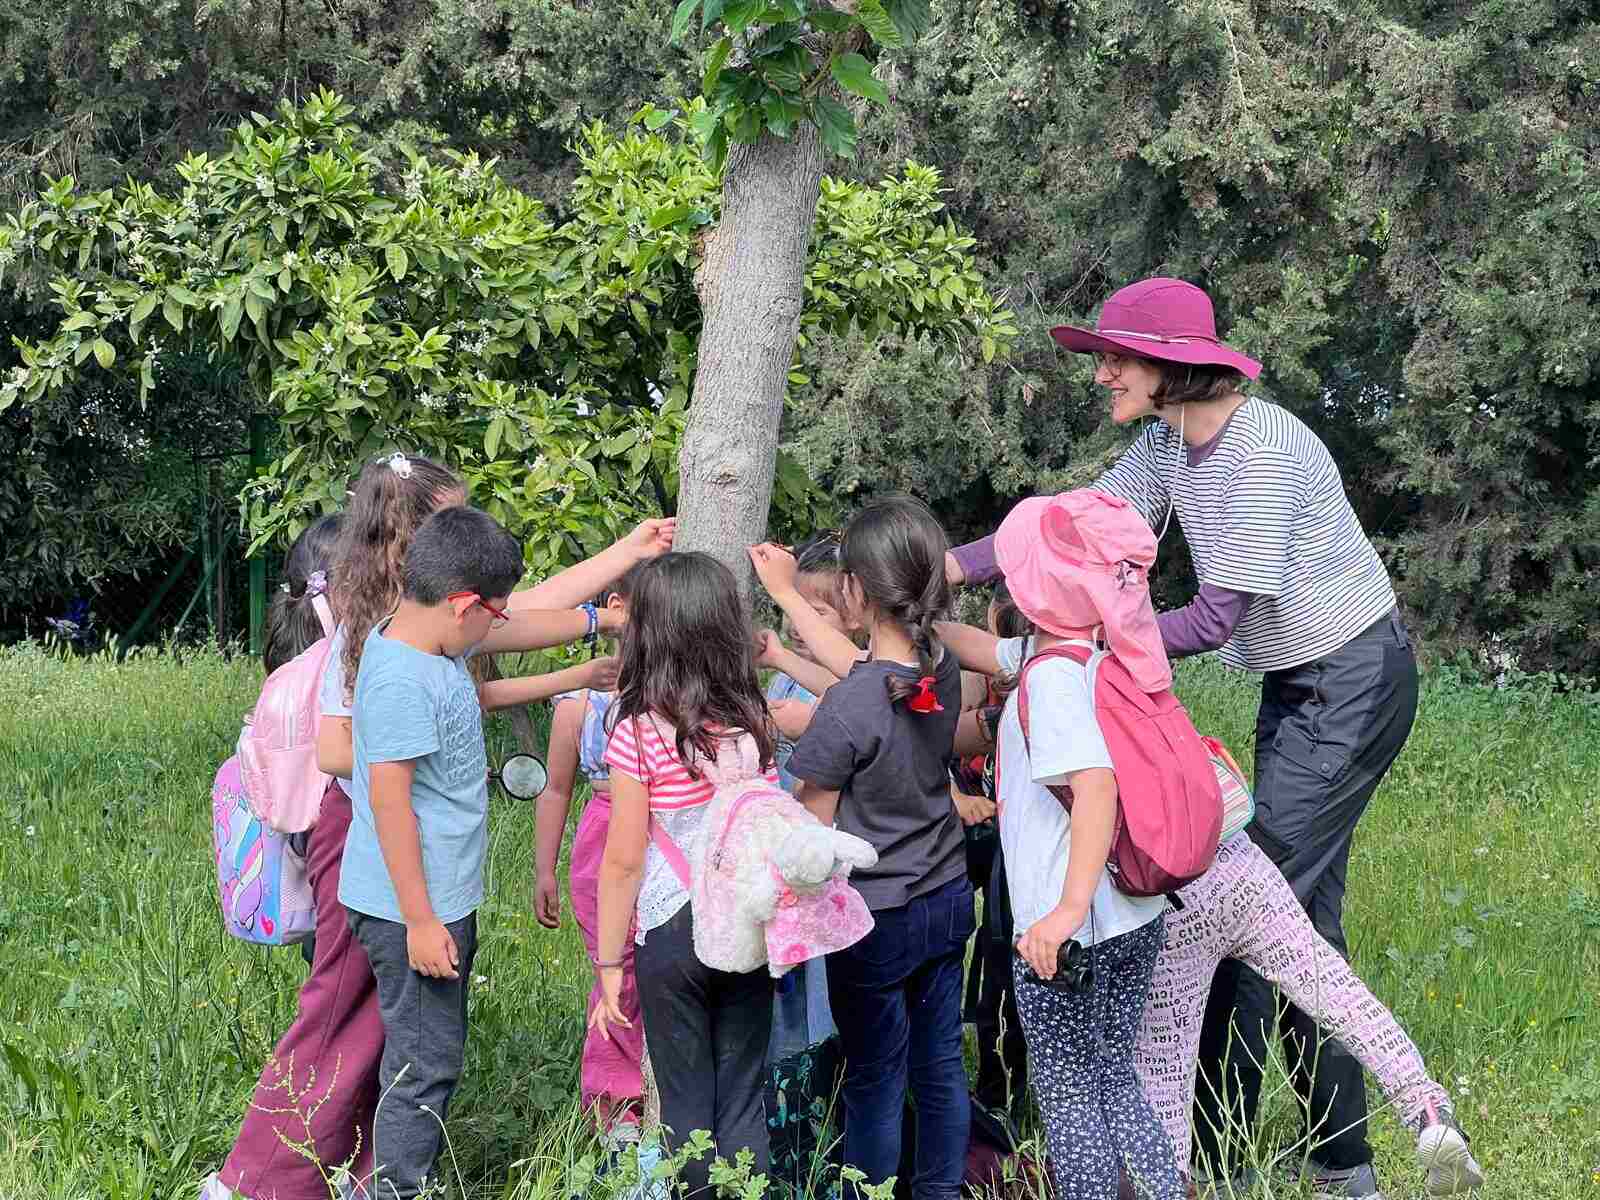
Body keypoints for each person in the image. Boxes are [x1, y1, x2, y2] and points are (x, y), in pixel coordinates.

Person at [947, 278, 1418, 1197]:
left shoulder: (1263, 453)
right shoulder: (1171, 447)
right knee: (1299, 916)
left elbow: (1210, 621)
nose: (1102, 376)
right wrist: (935, 564)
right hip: (1298, 683)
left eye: (1115, 359)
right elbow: (1063, 528)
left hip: (1355, 682)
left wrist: (1062, 642)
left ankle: (1204, 1160)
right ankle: (1341, 1163)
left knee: (1226, 898)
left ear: (1169, 365)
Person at [945, 601, 1485, 1200]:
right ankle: (1427, 1109)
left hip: (1166, 899)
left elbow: (969, 648)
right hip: (1228, 854)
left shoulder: (1045, 677)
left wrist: (908, 614)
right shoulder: (1127, 647)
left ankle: (1171, 1181)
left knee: (1161, 1069)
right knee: (1333, 988)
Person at [342, 504, 599, 1198]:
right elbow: (390, 805)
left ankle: (390, 1178)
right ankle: (396, 1189)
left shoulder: (427, 651)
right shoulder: (399, 677)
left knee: (430, 1051)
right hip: (410, 907)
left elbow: (469, 699)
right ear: (463, 605)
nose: (499, 624)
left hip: (437, 897)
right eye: (496, 613)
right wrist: (422, 920)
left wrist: (572, 677)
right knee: (423, 1063)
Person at [963, 490, 1184, 1200]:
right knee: (1114, 1073)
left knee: (1066, 1091)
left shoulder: (1053, 680)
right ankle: (1157, 1192)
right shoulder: (1104, 654)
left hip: (1071, 926)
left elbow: (1096, 789)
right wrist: (920, 622)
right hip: (1135, 914)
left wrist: (1063, 912)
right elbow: (984, 649)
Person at [752, 496, 972, 1200]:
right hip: (946, 897)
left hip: (876, 920)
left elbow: (809, 831)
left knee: (875, 1077)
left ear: (854, 589)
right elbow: (866, 672)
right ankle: (937, 1190)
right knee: (939, 1065)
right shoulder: (939, 671)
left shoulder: (850, 706)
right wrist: (788, 601)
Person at [589, 552, 783, 1197]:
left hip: (671, 934)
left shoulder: (640, 733)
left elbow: (621, 861)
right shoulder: (754, 721)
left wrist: (609, 965)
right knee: (743, 1095)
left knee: (684, 1104)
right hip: (745, 930)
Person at [534, 566, 642, 1140]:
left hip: (665, 837)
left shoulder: (674, 684)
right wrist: (543, 871)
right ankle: (614, 1107)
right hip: (604, 837)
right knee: (616, 971)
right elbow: (555, 787)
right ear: (620, 606)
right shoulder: (580, 698)